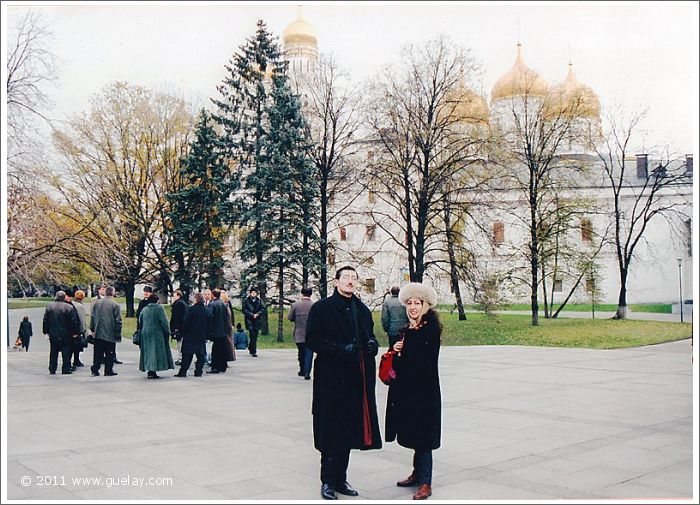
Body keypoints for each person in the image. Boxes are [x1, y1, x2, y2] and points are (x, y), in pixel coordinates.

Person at [305, 266, 382, 500]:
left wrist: (372, 344)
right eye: (346, 277)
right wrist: (340, 349)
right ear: (336, 281)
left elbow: (370, 334)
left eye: (354, 278)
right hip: (331, 380)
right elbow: (312, 341)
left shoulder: (361, 309)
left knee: (349, 429)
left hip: (356, 380)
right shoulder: (322, 308)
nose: (350, 281)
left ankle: (341, 479)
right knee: (331, 430)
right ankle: (327, 481)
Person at [385, 283, 442, 501]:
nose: (412, 307)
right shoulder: (406, 331)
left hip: (425, 393)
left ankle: (426, 482)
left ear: (426, 305)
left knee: (424, 437)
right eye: (409, 303)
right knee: (416, 433)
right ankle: (417, 474)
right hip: (410, 393)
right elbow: (401, 363)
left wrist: (401, 352)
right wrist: (395, 351)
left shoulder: (429, 329)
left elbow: (420, 361)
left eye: (417, 303)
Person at [43, 291, 80, 375]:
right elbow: (73, 321)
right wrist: (75, 332)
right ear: (64, 297)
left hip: (53, 332)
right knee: (66, 350)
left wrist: (45, 331)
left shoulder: (49, 307)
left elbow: (45, 320)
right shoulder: (69, 307)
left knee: (53, 351)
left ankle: (52, 368)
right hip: (65, 332)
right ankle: (66, 368)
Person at [138, 292, 174, 379]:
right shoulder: (159, 308)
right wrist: (168, 331)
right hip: (156, 333)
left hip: (145, 333)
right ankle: (152, 370)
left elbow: (140, 321)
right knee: (154, 351)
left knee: (148, 351)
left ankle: (149, 368)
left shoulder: (144, 309)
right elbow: (164, 321)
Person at [175, 293, 211, 377]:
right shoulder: (207, 310)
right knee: (201, 355)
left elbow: (185, 322)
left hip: (190, 335)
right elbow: (210, 324)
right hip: (201, 336)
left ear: (196, 300)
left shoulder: (191, 310)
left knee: (187, 355)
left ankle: (183, 372)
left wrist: (182, 331)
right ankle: (198, 371)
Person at [90, 286, 122, 377]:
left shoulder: (98, 303)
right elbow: (118, 320)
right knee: (109, 353)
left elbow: (93, 316)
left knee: (97, 353)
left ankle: (95, 369)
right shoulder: (115, 304)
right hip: (110, 332)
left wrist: (92, 329)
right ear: (112, 293)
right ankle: (108, 370)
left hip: (98, 332)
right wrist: (118, 332)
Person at [288, 286, 314, 380]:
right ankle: (307, 371)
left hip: (299, 332)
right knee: (309, 353)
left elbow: (290, 318)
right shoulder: (314, 305)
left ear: (302, 293)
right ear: (311, 294)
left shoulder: (295, 305)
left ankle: (302, 369)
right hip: (311, 333)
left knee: (301, 352)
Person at [207, 289, 231, 373]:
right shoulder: (222, 303)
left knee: (215, 350)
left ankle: (215, 367)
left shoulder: (212, 304)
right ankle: (222, 366)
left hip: (215, 330)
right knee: (222, 349)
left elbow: (209, 316)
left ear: (213, 295)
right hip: (223, 330)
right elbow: (226, 317)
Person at [242, 287, 264, 357]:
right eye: (252, 292)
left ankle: (251, 347)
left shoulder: (259, 301)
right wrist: (252, 315)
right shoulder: (246, 301)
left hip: (257, 320)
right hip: (249, 320)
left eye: (255, 293)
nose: (253, 294)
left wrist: (257, 314)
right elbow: (244, 310)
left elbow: (263, 309)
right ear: (250, 293)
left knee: (255, 335)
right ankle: (254, 351)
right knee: (252, 334)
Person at [71, 290, 90, 368]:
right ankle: (76, 360)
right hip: (78, 329)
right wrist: (84, 330)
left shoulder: (72, 303)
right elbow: (82, 319)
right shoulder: (80, 306)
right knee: (77, 346)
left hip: (71, 328)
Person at [170, 290, 188, 365]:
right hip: (182, 327)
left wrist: (176, 328)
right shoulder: (182, 303)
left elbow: (177, 317)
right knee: (180, 343)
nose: (173, 297)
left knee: (180, 344)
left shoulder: (178, 304)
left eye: (174, 295)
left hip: (179, 327)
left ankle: (181, 359)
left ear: (178, 295)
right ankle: (181, 358)